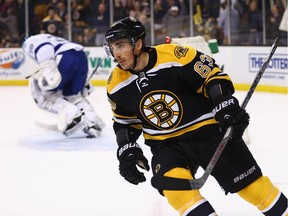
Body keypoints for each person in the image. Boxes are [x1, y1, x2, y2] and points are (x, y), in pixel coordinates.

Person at [104, 17, 288, 215]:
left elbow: (212, 77)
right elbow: (124, 122)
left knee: (253, 189)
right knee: (177, 192)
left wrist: (224, 105)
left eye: (120, 46)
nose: (116, 54)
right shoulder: (116, 84)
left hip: (207, 132)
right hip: (166, 144)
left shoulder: (175, 55)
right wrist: (127, 149)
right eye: (112, 48)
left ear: (138, 44)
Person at [22, 33, 105, 138]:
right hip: (81, 56)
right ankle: (93, 122)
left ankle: (71, 116)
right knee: (74, 96)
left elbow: (43, 47)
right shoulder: (50, 37)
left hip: (65, 58)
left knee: (45, 98)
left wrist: (49, 71)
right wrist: (84, 82)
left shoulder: (30, 40)